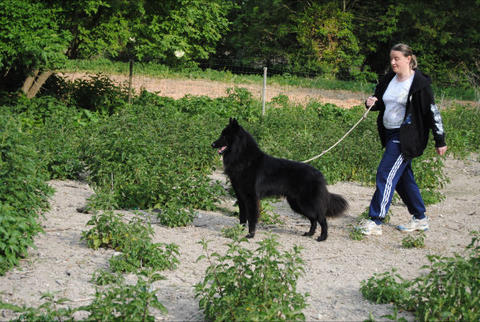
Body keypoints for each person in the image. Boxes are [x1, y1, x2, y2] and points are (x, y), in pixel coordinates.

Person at [357, 43, 447, 236]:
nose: (393, 62)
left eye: (397, 58)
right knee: (402, 179)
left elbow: (433, 112)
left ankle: (375, 220)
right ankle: (420, 218)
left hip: (407, 137)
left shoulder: (419, 84)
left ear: (408, 59)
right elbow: (379, 102)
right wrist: (370, 102)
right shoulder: (389, 79)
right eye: (391, 59)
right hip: (389, 134)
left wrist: (440, 140)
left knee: (385, 172)